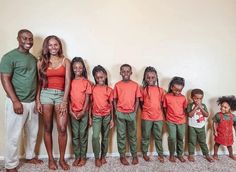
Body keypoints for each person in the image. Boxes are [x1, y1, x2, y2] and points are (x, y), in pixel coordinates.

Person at [0, 29, 43, 172]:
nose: (28, 41)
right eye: (25, 38)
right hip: (17, 102)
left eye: (30, 39)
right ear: (18, 39)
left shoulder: (33, 59)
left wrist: (37, 101)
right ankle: (10, 165)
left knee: (32, 133)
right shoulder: (9, 57)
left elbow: (38, 81)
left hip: (32, 103)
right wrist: (15, 101)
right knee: (13, 136)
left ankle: (30, 156)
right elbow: (4, 79)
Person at [36, 35, 71, 170]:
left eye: (55, 45)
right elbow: (38, 82)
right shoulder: (40, 62)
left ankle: (62, 160)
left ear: (59, 46)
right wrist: (38, 100)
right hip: (46, 94)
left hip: (61, 95)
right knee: (48, 127)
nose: (53, 47)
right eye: (50, 45)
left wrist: (64, 100)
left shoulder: (65, 61)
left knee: (62, 128)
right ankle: (51, 159)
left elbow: (68, 82)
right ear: (46, 47)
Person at [113, 64, 141, 165]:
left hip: (131, 114)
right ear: (120, 72)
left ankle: (134, 155)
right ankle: (122, 156)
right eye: (123, 71)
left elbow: (137, 100)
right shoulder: (117, 85)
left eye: (127, 71)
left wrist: (134, 112)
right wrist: (116, 111)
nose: (125, 73)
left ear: (131, 73)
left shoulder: (135, 85)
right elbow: (114, 100)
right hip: (120, 114)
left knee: (132, 135)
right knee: (121, 135)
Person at [89, 65, 114, 167]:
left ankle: (103, 156)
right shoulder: (93, 88)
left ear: (105, 76)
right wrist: (90, 117)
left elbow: (112, 106)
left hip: (107, 116)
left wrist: (112, 119)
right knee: (95, 137)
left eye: (102, 77)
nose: (100, 79)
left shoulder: (109, 90)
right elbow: (89, 104)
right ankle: (96, 157)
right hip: (96, 116)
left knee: (105, 137)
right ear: (95, 77)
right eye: (97, 78)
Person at [69, 57, 92, 167]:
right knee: (75, 136)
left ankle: (83, 157)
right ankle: (77, 157)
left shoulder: (86, 82)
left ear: (83, 69)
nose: (77, 69)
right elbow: (68, 98)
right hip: (73, 113)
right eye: (75, 68)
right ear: (72, 69)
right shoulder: (70, 82)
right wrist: (70, 111)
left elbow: (87, 98)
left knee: (83, 135)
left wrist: (83, 111)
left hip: (84, 113)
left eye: (80, 67)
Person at [140, 66, 165, 163]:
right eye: (148, 77)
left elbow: (162, 104)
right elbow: (141, 103)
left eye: (153, 77)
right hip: (146, 117)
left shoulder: (161, 90)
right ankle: (145, 153)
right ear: (145, 78)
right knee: (145, 136)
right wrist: (146, 111)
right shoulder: (143, 90)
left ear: (156, 77)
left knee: (158, 137)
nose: (150, 79)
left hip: (158, 117)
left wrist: (158, 112)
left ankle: (160, 154)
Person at [163, 76, 187, 163]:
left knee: (180, 138)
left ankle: (180, 154)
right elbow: (165, 108)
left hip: (181, 121)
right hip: (170, 121)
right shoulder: (166, 96)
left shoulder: (183, 98)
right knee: (172, 138)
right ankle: (172, 154)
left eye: (180, 90)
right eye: (176, 89)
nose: (177, 92)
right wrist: (167, 117)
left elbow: (184, 109)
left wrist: (181, 116)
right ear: (172, 87)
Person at [187, 89, 213, 162]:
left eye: (200, 99)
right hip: (192, 126)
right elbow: (189, 115)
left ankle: (207, 154)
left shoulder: (203, 105)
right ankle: (191, 154)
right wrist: (196, 107)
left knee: (202, 141)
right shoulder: (190, 105)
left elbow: (206, 115)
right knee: (191, 141)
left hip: (201, 126)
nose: (198, 100)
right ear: (192, 97)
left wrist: (201, 107)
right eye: (196, 98)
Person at [213, 95, 236, 160]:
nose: (222, 108)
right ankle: (215, 154)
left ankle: (231, 154)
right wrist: (214, 131)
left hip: (229, 135)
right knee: (217, 143)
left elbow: (234, 125)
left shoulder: (233, 116)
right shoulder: (218, 115)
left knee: (229, 145)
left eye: (225, 107)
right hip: (220, 133)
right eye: (222, 106)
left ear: (230, 108)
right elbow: (214, 122)